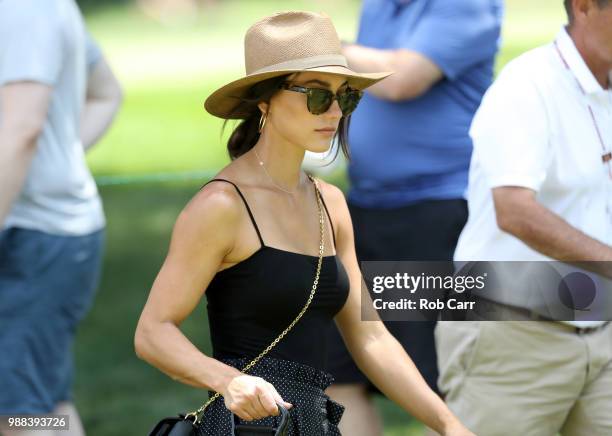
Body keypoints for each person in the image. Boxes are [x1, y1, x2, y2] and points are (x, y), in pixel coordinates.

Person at [134, 11, 474, 436]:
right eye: (316, 96)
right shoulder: (221, 206)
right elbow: (152, 332)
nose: (334, 111)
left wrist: (451, 427)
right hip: (247, 429)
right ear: (265, 101)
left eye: (345, 97)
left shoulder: (330, 203)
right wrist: (228, 381)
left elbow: (371, 340)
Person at [324, 1, 502, 434]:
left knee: (443, 377)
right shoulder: (380, 6)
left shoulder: (467, 6)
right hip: (364, 208)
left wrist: (320, 48)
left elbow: (403, 78)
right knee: (335, 371)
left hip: (438, 212)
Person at [436, 0, 612, 434]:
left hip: (601, 328)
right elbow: (514, 211)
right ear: (585, 6)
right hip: (509, 332)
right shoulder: (526, 85)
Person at [0, 0, 122, 434]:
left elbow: (21, 129)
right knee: (41, 401)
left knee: (16, 410)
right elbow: (106, 91)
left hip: (33, 237)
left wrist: (52, 169)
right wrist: (60, 163)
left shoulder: (24, 8)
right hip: (39, 232)